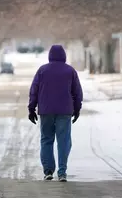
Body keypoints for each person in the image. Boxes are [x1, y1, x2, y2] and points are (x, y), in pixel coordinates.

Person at [28, 44, 83, 182]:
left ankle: (48, 171)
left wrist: (31, 108)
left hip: (46, 111)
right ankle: (62, 172)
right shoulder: (70, 71)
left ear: (50, 56)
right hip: (65, 111)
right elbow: (77, 92)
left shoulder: (42, 70)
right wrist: (77, 108)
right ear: (64, 55)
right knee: (63, 141)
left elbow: (34, 90)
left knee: (46, 140)